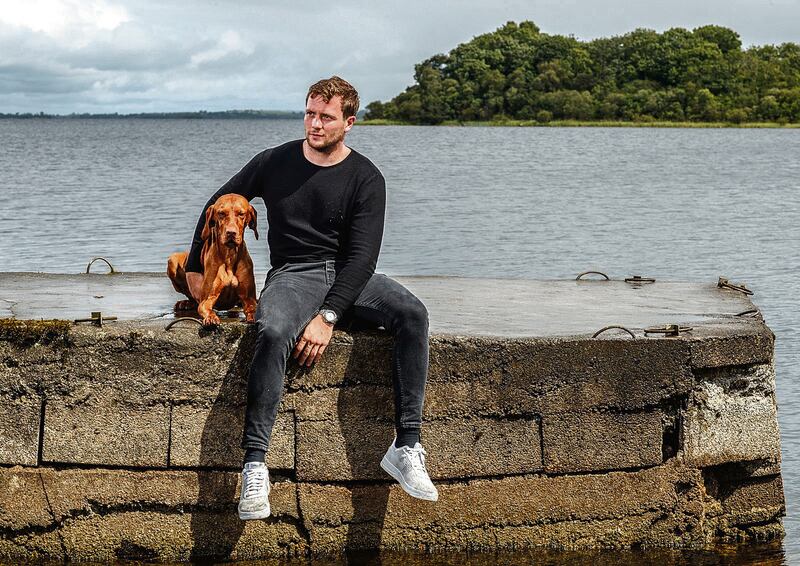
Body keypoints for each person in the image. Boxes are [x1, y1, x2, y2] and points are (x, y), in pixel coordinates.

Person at [184, 76, 439, 520]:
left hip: (349, 276)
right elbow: (217, 203)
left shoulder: (366, 177)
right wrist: (192, 268)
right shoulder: (273, 162)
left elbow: (363, 259)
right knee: (274, 328)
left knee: (412, 313)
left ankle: (406, 446)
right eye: (309, 113)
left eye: (326, 117)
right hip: (292, 274)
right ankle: (254, 466)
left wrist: (328, 316)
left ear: (349, 122)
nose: (314, 124)